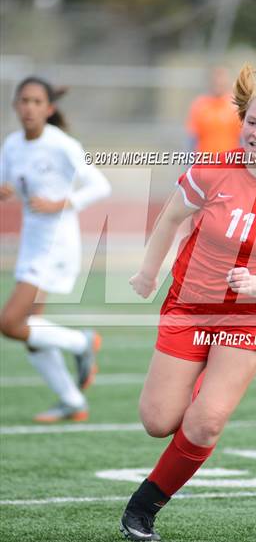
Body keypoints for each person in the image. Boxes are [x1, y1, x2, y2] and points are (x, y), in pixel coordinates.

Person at [120, 64, 256, 541]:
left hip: (250, 317)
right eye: (252, 122)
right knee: (158, 421)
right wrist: (149, 272)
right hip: (189, 307)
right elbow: (170, 220)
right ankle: (194, 394)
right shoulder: (210, 170)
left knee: (207, 421)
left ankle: (143, 508)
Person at [0, 76, 111, 423]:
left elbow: (100, 185)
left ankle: (82, 342)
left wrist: (61, 203)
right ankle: (71, 400)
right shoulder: (13, 144)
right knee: (32, 332)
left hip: (56, 244)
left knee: (9, 322)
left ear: (49, 109)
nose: (29, 108)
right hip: (32, 243)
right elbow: (6, 183)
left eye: (36, 102)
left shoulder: (61, 144)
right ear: (16, 106)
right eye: (24, 101)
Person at [186, 66, 242, 153]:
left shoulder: (236, 105)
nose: (218, 81)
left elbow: (242, 139)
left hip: (229, 163)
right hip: (205, 162)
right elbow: (192, 139)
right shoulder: (199, 105)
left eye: (222, 78)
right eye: (215, 78)